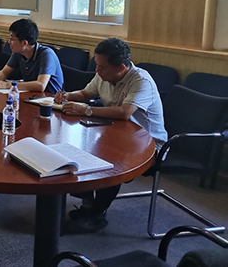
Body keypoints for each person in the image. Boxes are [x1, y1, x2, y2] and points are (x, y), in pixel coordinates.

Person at [54, 37, 167, 233]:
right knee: (77, 148)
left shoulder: (141, 80)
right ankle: (87, 204)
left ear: (121, 68)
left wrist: (87, 110)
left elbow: (125, 112)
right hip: (117, 134)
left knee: (112, 161)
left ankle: (97, 214)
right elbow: (86, 94)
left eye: (102, 67)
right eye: (96, 65)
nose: (97, 70)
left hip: (149, 145)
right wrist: (67, 95)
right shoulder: (104, 74)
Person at [0, 18, 63, 93]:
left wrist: (7, 85)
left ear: (24, 43)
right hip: (31, 95)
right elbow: (4, 72)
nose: (8, 42)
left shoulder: (46, 54)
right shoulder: (18, 52)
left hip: (50, 98)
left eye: (12, 39)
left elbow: (41, 85)